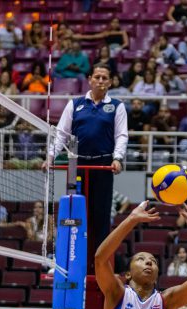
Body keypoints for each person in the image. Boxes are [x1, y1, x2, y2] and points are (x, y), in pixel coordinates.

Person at [50, 63, 128, 273]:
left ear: (110, 82)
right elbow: (61, 134)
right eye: (97, 77)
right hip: (77, 166)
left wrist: (118, 158)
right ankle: (71, 262)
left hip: (103, 166)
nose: (101, 81)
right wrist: (50, 156)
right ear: (90, 80)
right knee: (75, 213)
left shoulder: (117, 106)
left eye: (105, 78)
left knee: (100, 217)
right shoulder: (74, 105)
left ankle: (99, 266)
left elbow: (121, 135)